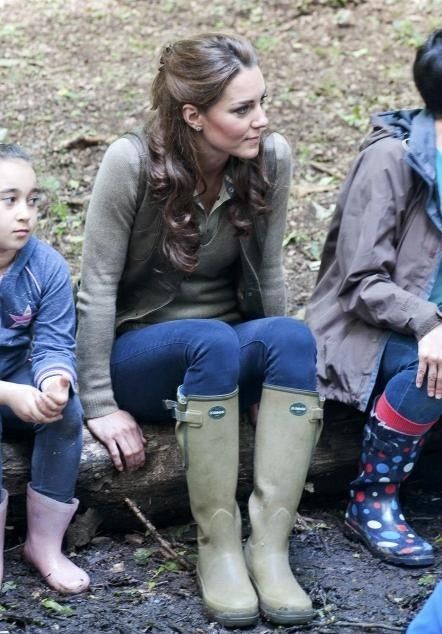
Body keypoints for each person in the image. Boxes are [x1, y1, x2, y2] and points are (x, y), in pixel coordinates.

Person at [76, 33, 323, 627]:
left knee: (292, 337)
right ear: (193, 115)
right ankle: (218, 546)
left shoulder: (271, 157)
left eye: (263, 102)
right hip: (145, 352)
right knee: (209, 341)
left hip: (225, 350)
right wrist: (99, 402)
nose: (261, 120)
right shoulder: (131, 162)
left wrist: (269, 381)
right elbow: (97, 286)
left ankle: (269, 546)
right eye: (242, 110)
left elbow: (266, 272)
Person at [306, 29, 442, 568]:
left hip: (429, 327)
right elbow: (360, 283)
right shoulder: (392, 158)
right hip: (364, 329)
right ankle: (371, 500)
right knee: (432, 368)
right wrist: (430, 323)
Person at [0, 144, 89, 593]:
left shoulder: (46, 266)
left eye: (32, 200)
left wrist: (54, 381)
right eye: (8, 199)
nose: (25, 214)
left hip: (17, 377)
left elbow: (54, 342)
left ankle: (45, 544)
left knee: (67, 413)